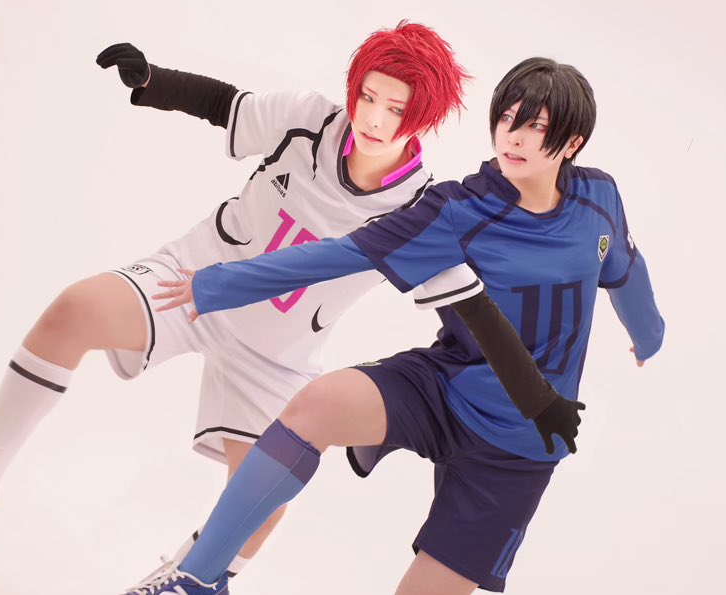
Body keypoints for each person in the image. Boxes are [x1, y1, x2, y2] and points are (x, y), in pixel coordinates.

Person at [0, 22, 578, 591]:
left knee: (265, 497)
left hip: (276, 353)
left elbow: (470, 309)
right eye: (369, 96)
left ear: (421, 117)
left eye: (396, 109)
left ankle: (184, 574)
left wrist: (535, 395)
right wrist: (153, 81)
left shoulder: (422, 210)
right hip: (191, 284)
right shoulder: (309, 119)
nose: (374, 117)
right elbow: (227, 105)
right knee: (73, 309)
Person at [138, 57, 665, 594]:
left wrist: (649, 336)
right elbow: (338, 256)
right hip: (445, 388)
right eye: (508, 118)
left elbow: (625, 270)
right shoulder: (458, 208)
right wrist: (217, 284)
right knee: (320, 403)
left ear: (572, 143)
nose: (515, 136)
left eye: (537, 127)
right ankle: (197, 580)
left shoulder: (599, 199)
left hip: (521, 449)